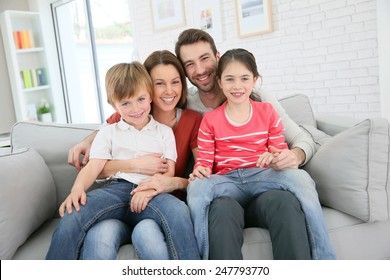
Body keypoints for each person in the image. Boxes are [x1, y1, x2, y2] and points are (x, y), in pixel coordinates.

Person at [69, 29, 315, 260]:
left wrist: (295, 155)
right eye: (189, 64)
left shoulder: (253, 99)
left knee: (284, 202)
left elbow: (303, 138)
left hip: (252, 184)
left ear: (218, 58)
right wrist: (87, 141)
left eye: (205, 58)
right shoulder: (155, 110)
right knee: (219, 211)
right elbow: (111, 128)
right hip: (214, 193)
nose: (199, 70)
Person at [186, 48, 336, 260]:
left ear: (254, 80)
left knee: (302, 178)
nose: (237, 86)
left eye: (244, 78)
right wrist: (200, 170)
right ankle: (198, 262)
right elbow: (205, 161)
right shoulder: (210, 120)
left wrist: (276, 158)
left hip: (263, 176)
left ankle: (324, 258)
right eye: (230, 79)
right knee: (197, 187)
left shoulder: (266, 111)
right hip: (227, 181)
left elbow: (279, 149)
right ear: (219, 82)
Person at [46, 61, 200, 260]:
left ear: (150, 96)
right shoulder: (108, 132)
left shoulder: (164, 132)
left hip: (151, 192)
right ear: (113, 105)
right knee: (72, 213)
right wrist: (77, 190)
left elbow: (168, 172)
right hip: (116, 190)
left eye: (141, 99)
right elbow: (94, 166)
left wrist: (151, 188)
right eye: (126, 103)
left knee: (178, 211)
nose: (135, 108)